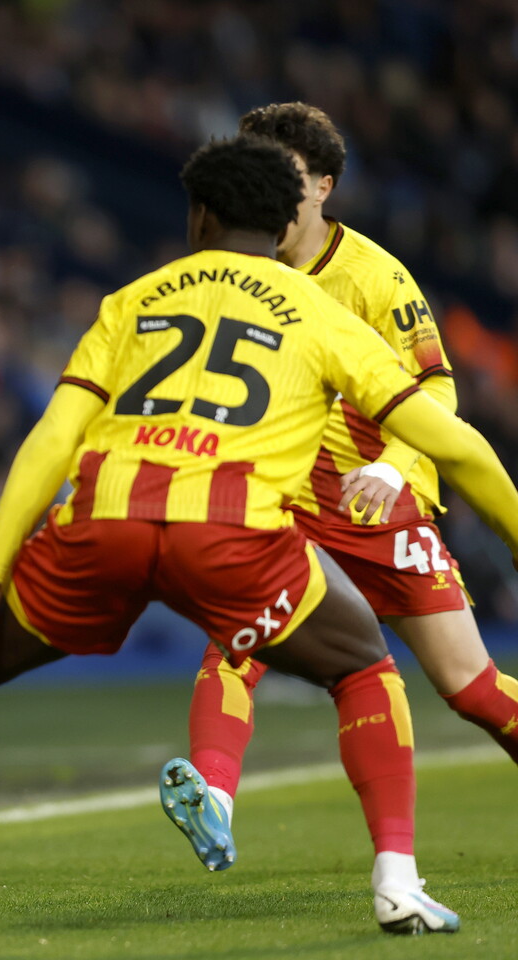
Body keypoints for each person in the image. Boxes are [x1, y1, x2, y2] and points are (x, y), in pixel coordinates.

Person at [0, 134, 518, 935]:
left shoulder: (132, 300)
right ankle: (396, 880)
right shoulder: (317, 309)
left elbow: (52, 442)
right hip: (233, 535)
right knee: (363, 668)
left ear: (199, 213)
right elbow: (460, 444)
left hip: (103, 523)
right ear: (284, 226)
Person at [176, 102, 518, 871]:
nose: (271, 190)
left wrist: (394, 465)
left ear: (325, 186)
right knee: (234, 644)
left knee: (471, 686)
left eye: (290, 176)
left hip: (375, 500)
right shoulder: (231, 269)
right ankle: (213, 799)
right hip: (281, 503)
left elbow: (437, 389)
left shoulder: (372, 275)